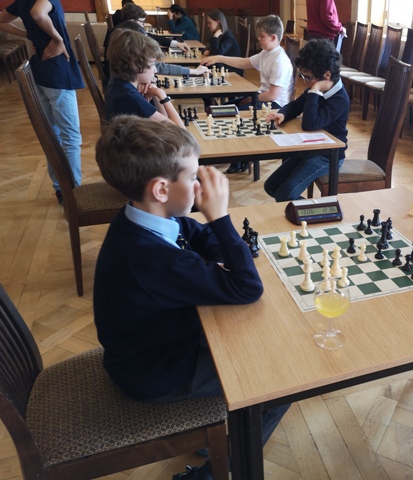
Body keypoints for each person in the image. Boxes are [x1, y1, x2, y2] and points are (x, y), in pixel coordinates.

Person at [93, 116, 290, 480]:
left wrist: (215, 238)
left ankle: (215, 435)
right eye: (193, 176)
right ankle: (215, 471)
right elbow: (247, 288)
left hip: (155, 345)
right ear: (161, 190)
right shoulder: (151, 258)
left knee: (254, 340)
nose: (201, 185)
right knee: (280, 378)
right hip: (156, 374)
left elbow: (193, 233)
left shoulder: (141, 216)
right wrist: (220, 217)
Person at [0, 0, 83, 204]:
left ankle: (61, 189)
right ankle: (73, 192)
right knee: (70, 137)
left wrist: (28, 34)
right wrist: (57, 38)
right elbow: (38, 13)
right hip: (57, 71)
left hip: (41, 70)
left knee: (52, 134)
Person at [201, 14, 293, 174]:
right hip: (262, 98)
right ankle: (229, 150)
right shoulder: (266, 53)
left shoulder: (280, 61)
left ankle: (242, 157)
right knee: (224, 109)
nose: (258, 39)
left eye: (261, 36)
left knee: (234, 113)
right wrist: (218, 58)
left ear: (273, 37)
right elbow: (244, 62)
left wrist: (250, 98)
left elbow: (273, 95)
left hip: (274, 105)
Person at [264, 39, 349, 202]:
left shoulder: (339, 100)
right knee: (271, 185)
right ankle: (306, 209)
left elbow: (310, 124)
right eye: (302, 75)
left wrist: (315, 91)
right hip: (311, 148)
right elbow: (297, 105)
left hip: (328, 156)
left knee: (285, 193)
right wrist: (283, 113)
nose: (304, 81)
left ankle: (318, 210)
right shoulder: (316, 86)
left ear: (327, 75)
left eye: (308, 77)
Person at [105, 29, 183, 127]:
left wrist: (155, 94)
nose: (155, 70)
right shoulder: (130, 97)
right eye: (151, 65)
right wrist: (162, 95)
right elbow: (181, 132)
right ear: (134, 65)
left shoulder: (119, 86)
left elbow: (165, 120)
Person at [202, 9, 243, 76]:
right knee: (202, 66)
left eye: (210, 23)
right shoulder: (221, 35)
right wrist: (209, 50)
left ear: (218, 23)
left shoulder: (229, 38)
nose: (208, 25)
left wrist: (215, 37)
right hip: (222, 68)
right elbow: (212, 49)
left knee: (203, 67)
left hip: (231, 72)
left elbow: (217, 55)